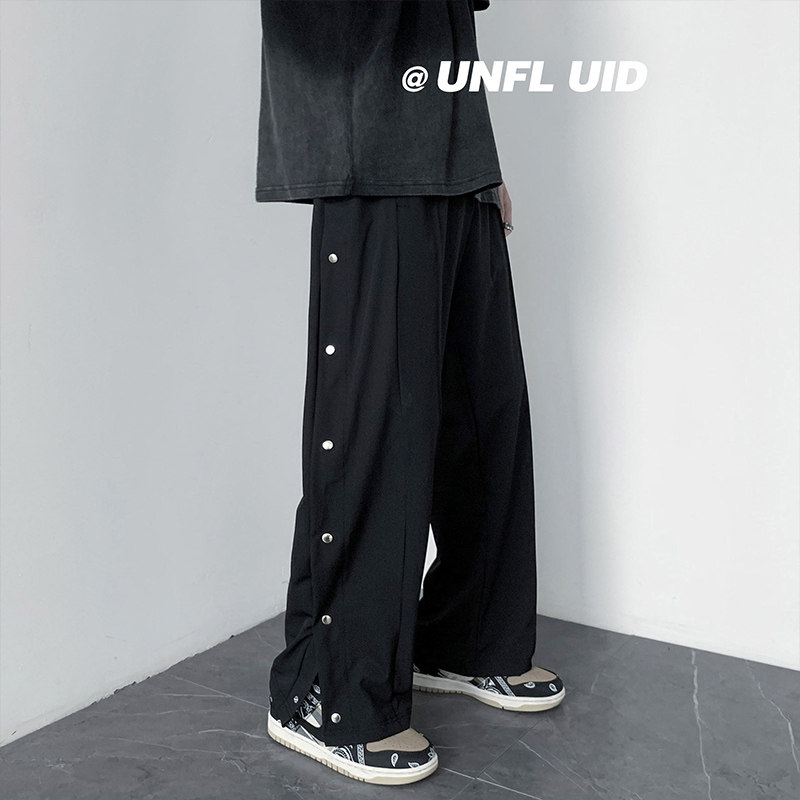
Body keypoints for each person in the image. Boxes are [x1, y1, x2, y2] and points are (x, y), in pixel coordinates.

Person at [255, 0, 565, 785]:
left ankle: (466, 637)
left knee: (485, 412)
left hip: (453, 146)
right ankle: (325, 690)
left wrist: (483, 161)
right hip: (366, 134)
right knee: (378, 424)